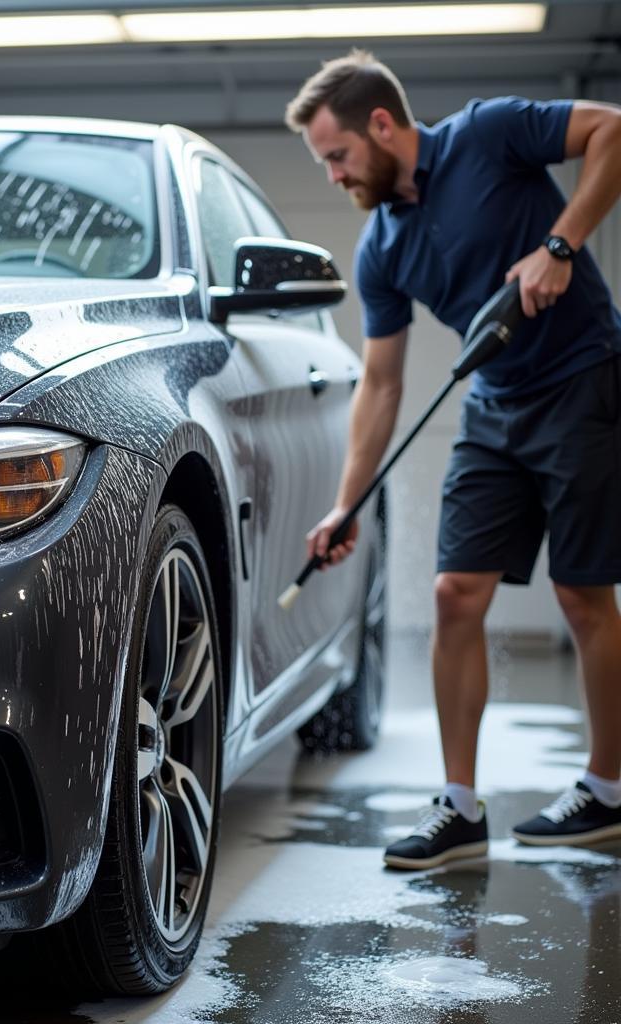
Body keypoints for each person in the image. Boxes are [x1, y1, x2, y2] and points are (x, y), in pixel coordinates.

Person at [284, 51, 621, 870]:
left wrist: (560, 244)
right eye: (323, 164)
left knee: (582, 593)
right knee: (453, 593)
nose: (333, 176)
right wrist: (345, 503)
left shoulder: (489, 133)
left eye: (338, 156)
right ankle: (460, 809)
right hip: (494, 403)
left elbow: (613, 130)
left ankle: (608, 790)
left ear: (383, 125)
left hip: (582, 381)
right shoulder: (382, 246)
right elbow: (382, 385)